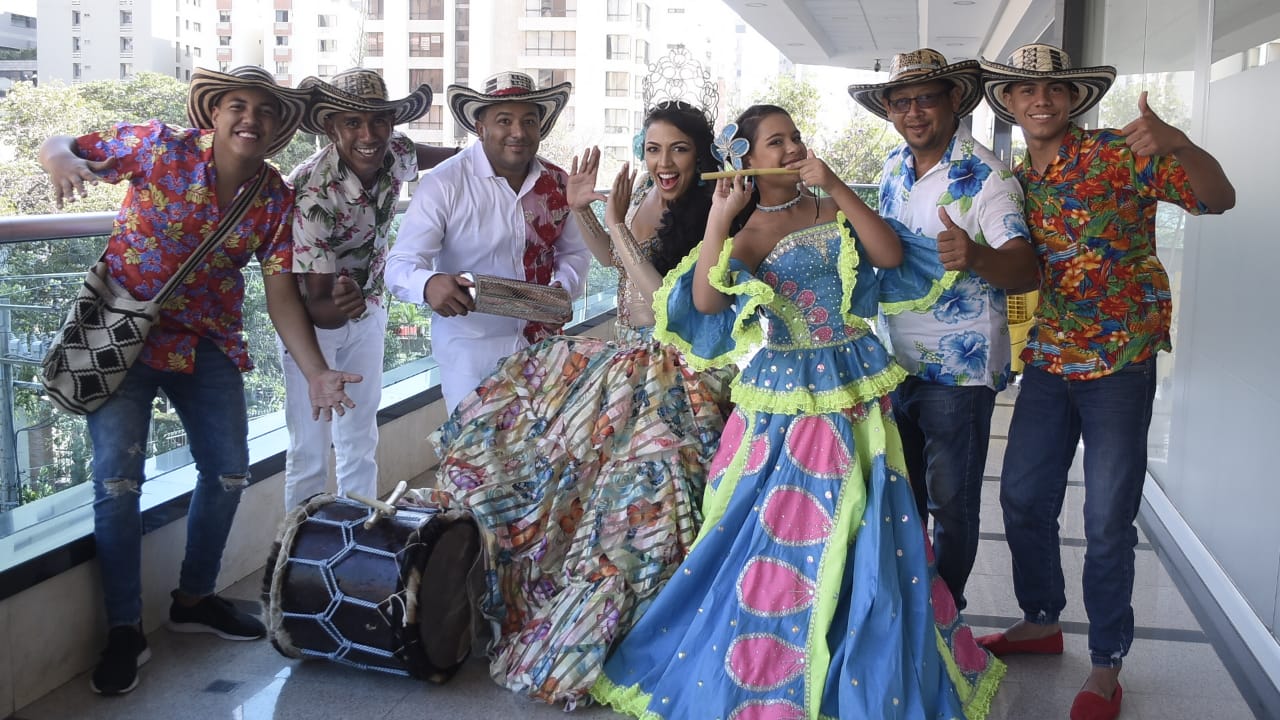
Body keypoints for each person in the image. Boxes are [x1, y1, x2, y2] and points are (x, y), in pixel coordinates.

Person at [591, 105, 1005, 720]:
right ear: (748, 158)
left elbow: (889, 256)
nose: (790, 149)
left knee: (873, 515)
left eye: (795, 137)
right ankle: (782, 647)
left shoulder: (831, 206)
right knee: (786, 519)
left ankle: (857, 640)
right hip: (788, 393)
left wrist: (836, 183)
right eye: (775, 141)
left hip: (855, 377)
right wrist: (722, 221)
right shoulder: (750, 229)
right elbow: (705, 300)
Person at [36, 65, 362, 697]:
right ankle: (125, 630)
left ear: (276, 129)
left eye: (265, 112)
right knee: (116, 484)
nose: (251, 118)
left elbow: (281, 294)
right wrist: (59, 162)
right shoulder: (158, 146)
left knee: (229, 469)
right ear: (212, 115)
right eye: (237, 105)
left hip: (206, 343)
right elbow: (62, 143)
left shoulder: (273, 200)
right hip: (121, 340)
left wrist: (317, 373)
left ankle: (192, 600)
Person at [431, 101, 734, 707]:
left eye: (677, 149)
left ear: (700, 153)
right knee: (535, 461)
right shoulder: (648, 195)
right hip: (623, 365)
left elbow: (676, 310)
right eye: (652, 149)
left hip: (675, 376)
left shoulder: (714, 210)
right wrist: (584, 212)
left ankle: (635, 632)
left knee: (641, 508)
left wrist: (616, 222)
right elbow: (611, 261)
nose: (663, 161)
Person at [975, 44, 1235, 720]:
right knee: (1024, 498)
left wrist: (1179, 142)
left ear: (1074, 98)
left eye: (1054, 90)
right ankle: (1040, 619)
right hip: (1050, 361)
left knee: (1105, 519)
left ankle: (1106, 664)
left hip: (1120, 362)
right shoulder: (1007, 182)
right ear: (1007, 102)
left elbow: (1218, 198)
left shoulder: (1120, 153)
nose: (1040, 101)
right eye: (1026, 92)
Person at [848, 49, 1038, 611]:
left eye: (925, 98)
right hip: (894, 362)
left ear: (954, 100)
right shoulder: (891, 167)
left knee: (951, 505)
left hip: (958, 375)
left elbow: (1025, 266)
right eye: (900, 101)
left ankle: (946, 617)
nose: (913, 112)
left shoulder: (988, 177)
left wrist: (976, 256)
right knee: (903, 500)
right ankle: (910, 614)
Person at [280, 68, 458, 509]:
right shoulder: (312, 190)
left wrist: (482, 153)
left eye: (378, 120)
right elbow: (319, 305)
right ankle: (296, 556)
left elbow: (435, 154)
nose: (368, 133)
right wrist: (342, 304)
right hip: (314, 328)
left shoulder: (395, 150)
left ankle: (358, 541)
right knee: (310, 450)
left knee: (360, 437)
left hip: (370, 310)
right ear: (331, 127)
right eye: (353, 121)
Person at [384, 71, 592, 412]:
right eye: (504, 120)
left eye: (529, 120)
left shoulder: (558, 183)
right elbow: (400, 265)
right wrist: (428, 283)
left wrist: (561, 290)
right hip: (470, 351)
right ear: (480, 128)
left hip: (544, 346)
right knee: (474, 458)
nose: (518, 132)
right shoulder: (445, 183)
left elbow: (575, 252)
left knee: (542, 454)